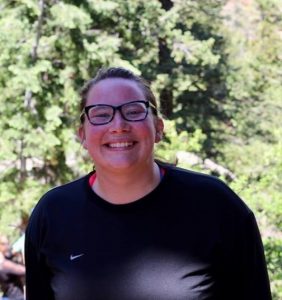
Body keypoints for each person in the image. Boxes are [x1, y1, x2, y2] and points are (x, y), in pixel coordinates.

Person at [25, 67, 271, 300]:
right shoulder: (53, 213)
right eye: (101, 114)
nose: (118, 126)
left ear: (158, 129)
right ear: (83, 136)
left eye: (133, 111)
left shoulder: (216, 205)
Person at [0, 235, 25, 300]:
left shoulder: (5, 259)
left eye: (8, 243)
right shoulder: (4, 264)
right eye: (5, 244)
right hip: (14, 297)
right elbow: (23, 271)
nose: (8, 246)